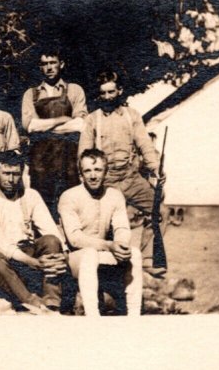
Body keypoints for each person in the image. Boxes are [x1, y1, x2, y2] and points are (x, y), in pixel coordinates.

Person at [78, 69, 166, 274]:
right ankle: (106, 270)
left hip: (130, 177)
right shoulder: (93, 119)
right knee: (102, 225)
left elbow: (144, 144)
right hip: (105, 181)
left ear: (120, 91)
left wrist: (155, 168)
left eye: (111, 92)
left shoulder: (131, 116)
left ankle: (148, 259)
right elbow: (83, 154)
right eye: (103, 93)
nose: (107, 97)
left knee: (159, 211)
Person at [0, 150, 67, 312]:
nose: (10, 179)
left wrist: (62, 256)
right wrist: (35, 263)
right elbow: (1, 246)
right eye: (6, 173)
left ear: (22, 173)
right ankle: (31, 301)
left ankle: (52, 301)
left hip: (30, 254)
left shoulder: (30, 195)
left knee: (51, 240)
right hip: (6, 264)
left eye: (16, 174)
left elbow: (50, 228)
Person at [58, 149, 143, 316]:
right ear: (81, 174)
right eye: (87, 171)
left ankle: (134, 315)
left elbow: (122, 228)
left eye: (97, 170)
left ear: (105, 172)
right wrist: (109, 245)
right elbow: (75, 239)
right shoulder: (69, 196)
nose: (93, 176)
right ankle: (93, 316)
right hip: (74, 258)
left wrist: (121, 245)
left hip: (103, 252)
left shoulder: (115, 195)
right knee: (89, 254)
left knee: (135, 253)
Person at [21, 50, 88, 218]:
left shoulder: (74, 90)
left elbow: (80, 124)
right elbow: (30, 126)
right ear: (40, 67)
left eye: (53, 62)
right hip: (40, 161)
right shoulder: (31, 94)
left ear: (61, 64)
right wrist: (63, 119)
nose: (49, 67)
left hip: (69, 159)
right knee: (42, 208)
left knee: (71, 206)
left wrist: (45, 127)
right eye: (44, 64)